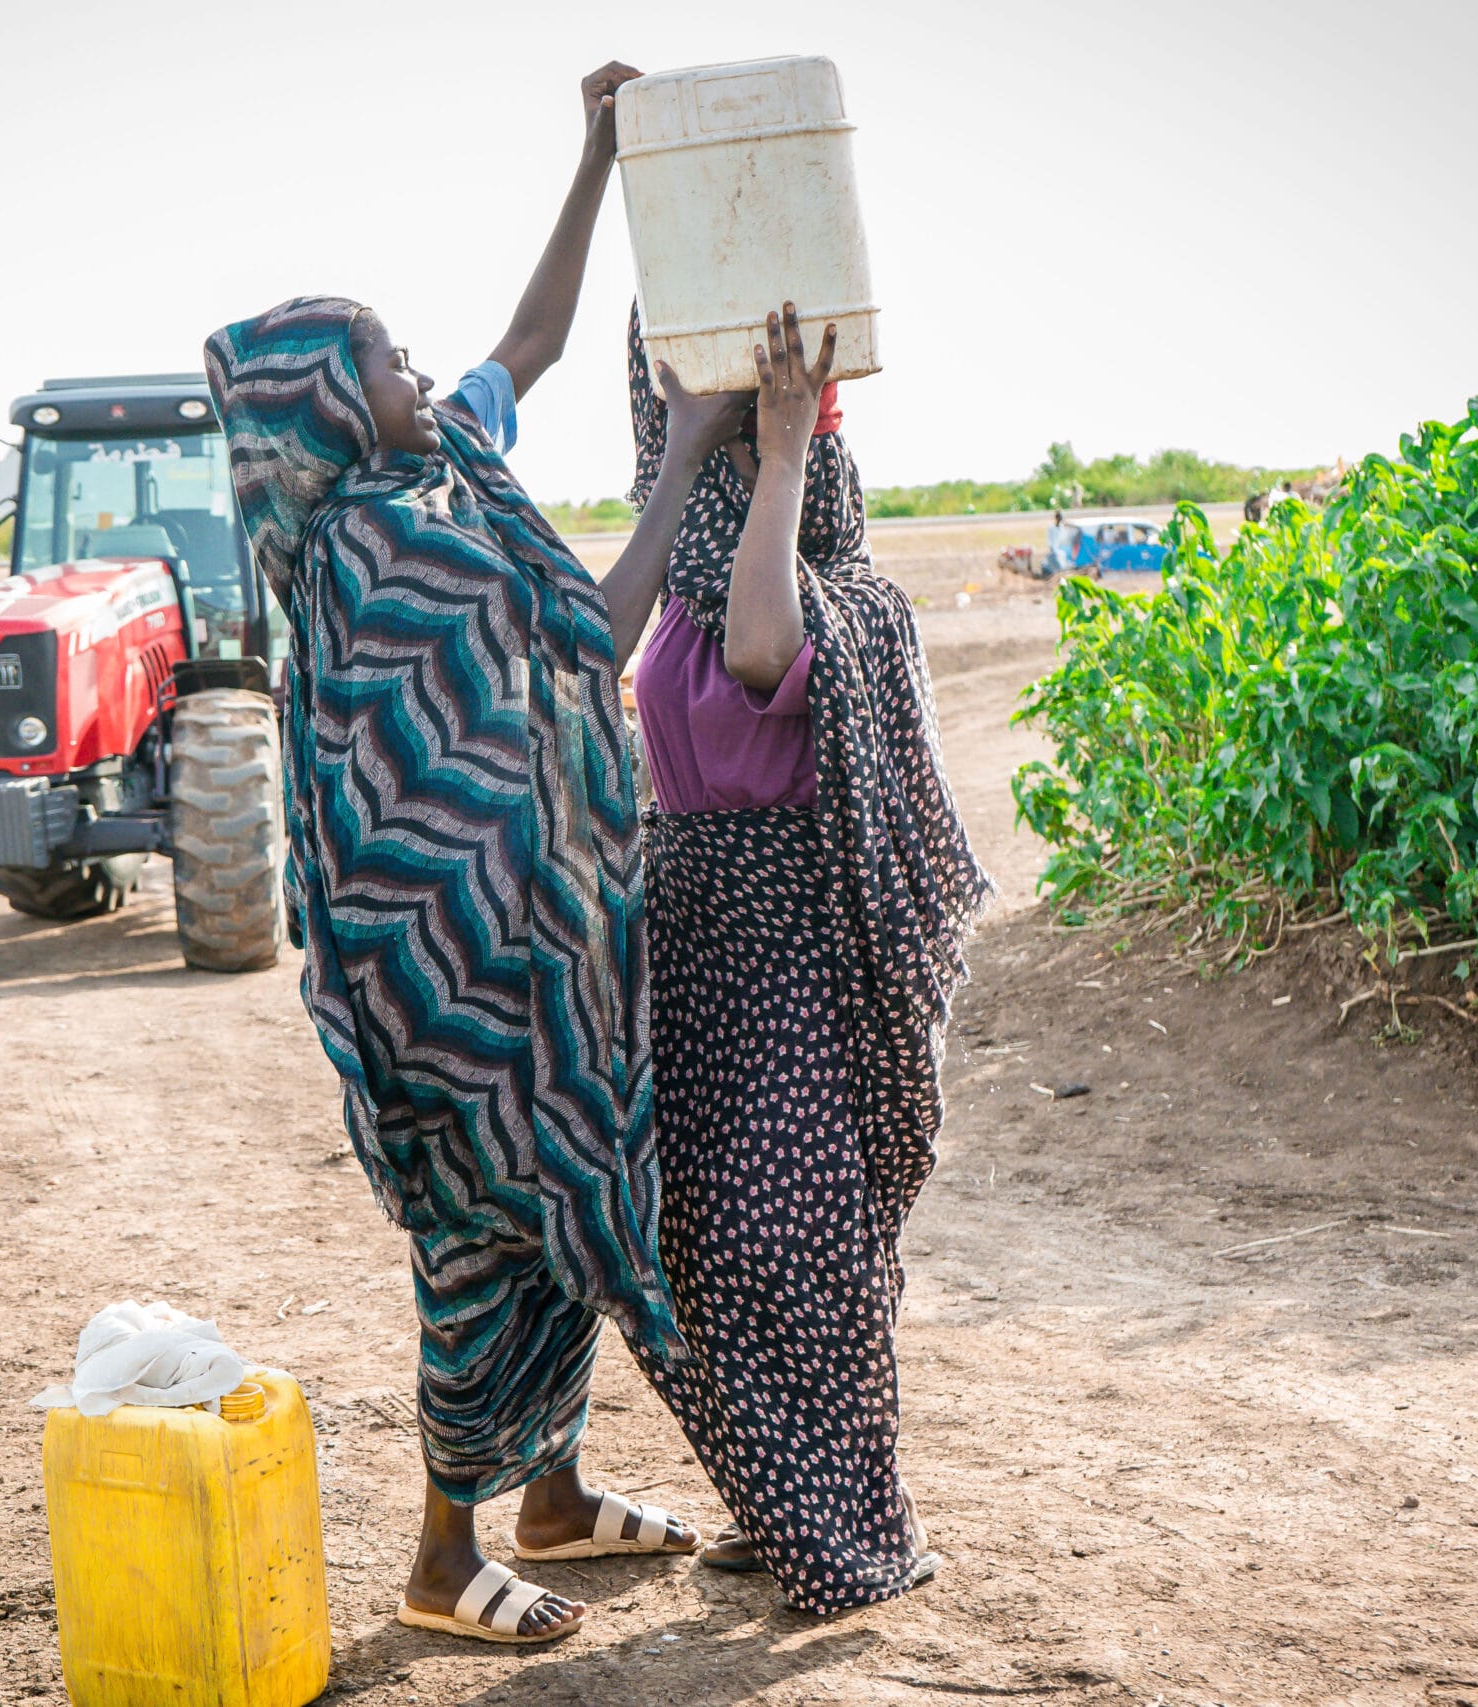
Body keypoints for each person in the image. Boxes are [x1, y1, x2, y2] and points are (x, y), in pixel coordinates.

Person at [202, 62, 723, 1649]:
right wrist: (691, 444)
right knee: (492, 1218)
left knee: (560, 1194)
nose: (415, 359)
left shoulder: (444, 464)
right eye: (378, 350)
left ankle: (551, 1497)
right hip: (450, 967)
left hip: (537, 925)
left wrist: (598, 156)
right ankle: (442, 1555)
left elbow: (537, 341)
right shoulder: (382, 541)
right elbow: (594, 643)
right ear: (324, 402)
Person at [613, 301, 996, 1614]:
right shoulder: (678, 596)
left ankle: (849, 1527)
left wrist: (778, 455)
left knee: (796, 1242)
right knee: (688, 1247)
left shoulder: (845, 597)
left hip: (783, 959)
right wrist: (692, 439)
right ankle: (777, 1494)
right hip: (684, 950)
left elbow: (763, 646)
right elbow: (610, 647)